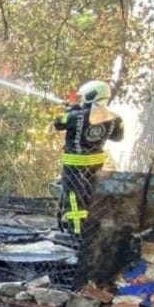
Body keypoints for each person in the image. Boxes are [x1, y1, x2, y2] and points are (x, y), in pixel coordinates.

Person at [53, 80, 124, 238]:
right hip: (95, 165)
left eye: (83, 97)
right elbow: (118, 137)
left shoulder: (75, 116)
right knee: (88, 196)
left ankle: (76, 234)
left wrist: (73, 108)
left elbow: (57, 123)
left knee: (73, 198)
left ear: (91, 96)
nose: (81, 100)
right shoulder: (114, 118)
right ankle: (86, 231)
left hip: (74, 165)